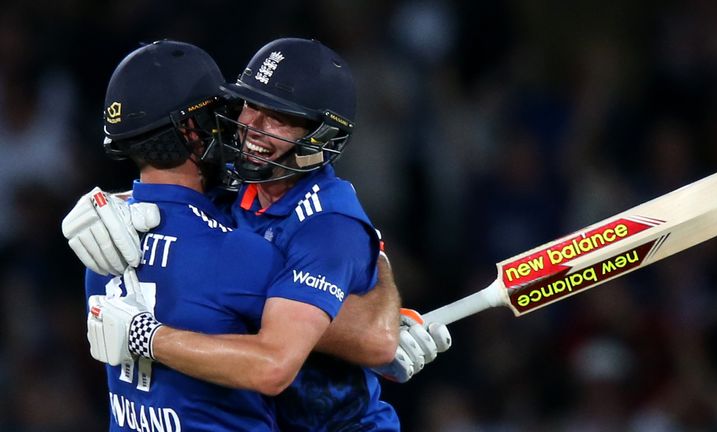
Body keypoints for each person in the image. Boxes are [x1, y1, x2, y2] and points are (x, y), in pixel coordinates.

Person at [64, 37, 452, 431]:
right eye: (248, 104)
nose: (249, 126)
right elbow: (373, 335)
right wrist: (108, 201)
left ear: (320, 135)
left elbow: (375, 339)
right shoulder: (226, 197)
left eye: (278, 115)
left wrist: (374, 255)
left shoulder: (328, 228)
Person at [76, 40, 289, 431]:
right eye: (218, 116)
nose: (232, 130)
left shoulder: (98, 244)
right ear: (192, 129)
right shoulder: (240, 253)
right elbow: (324, 336)